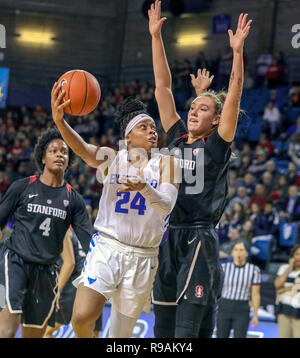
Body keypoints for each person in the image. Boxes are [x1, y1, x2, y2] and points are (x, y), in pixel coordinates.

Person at [148, 0, 252, 338]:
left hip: (199, 237)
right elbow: (163, 88)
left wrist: (237, 53)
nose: (193, 111)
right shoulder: (178, 137)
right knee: (162, 327)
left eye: (202, 108)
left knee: (186, 332)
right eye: (192, 105)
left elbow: (233, 96)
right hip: (169, 235)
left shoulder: (218, 145)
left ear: (217, 119)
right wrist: (155, 37)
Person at [51, 83, 179, 338]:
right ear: (128, 136)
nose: (152, 131)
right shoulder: (113, 158)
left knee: (120, 337)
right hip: (108, 247)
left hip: (144, 257)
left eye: (154, 127)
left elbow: (166, 206)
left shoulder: (167, 162)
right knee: (82, 316)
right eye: (144, 127)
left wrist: (144, 188)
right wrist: (60, 122)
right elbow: (83, 149)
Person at [0, 128, 93, 338]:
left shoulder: (74, 199)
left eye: (64, 152)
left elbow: (89, 242)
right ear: (42, 157)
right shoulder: (22, 187)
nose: (60, 154)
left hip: (48, 271)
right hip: (15, 261)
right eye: (53, 151)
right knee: (7, 328)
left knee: (34, 334)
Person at [43, 230, 103, 338]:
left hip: (73, 286)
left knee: (47, 331)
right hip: (94, 285)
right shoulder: (94, 235)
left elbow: (69, 263)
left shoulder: (66, 232)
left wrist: (57, 289)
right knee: (92, 332)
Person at [216, 240, 261, 338]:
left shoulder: (254, 270)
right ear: (232, 252)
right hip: (224, 306)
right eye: (236, 250)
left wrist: (256, 315)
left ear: (246, 253)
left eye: (241, 250)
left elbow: (255, 294)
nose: (238, 252)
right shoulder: (223, 267)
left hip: (242, 308)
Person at [274, 244, 300, 338]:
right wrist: (289, 268)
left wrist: (284, 289)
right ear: (293, 255)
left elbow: (298, 287)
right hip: (284, 310)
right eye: (297, 254)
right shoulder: (284, 268)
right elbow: (277, 284)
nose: (299, 257)